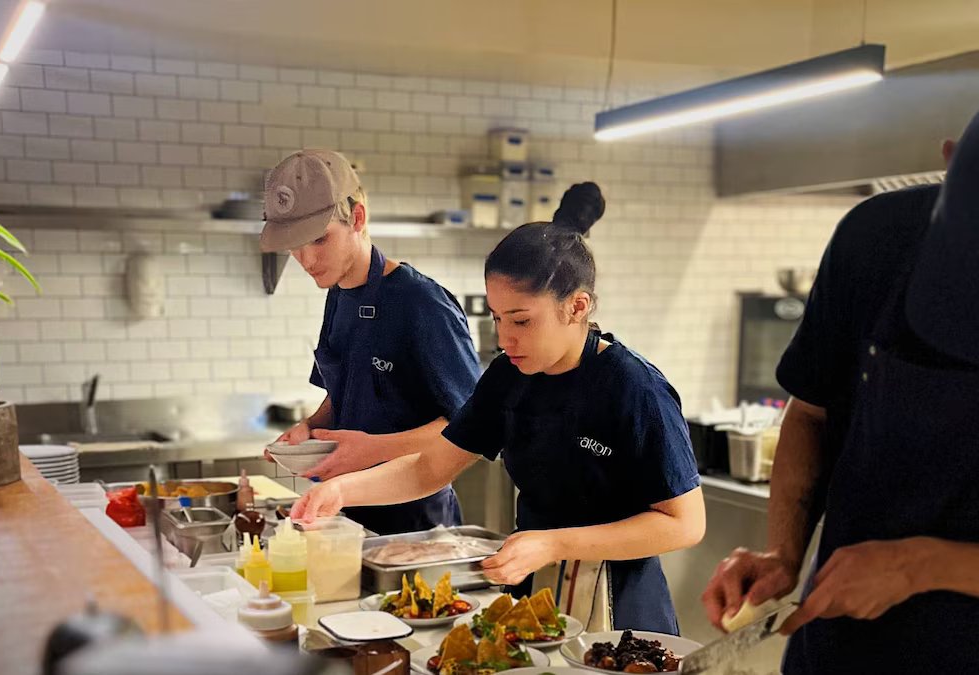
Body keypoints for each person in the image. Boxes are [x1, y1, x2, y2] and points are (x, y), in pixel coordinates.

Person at [701, 75, 979, 673]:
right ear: (950, 161)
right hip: (839, 651)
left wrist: (919, 565)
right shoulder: (875, 240)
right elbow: (811, 414)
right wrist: (784, 551)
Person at [293, 183, 706, 633]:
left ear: (577, 306)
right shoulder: (511, 375)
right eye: (497, 317)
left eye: (522, 320)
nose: (504, 338)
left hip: (619, 610)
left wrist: (554, 544)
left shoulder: (635, 389)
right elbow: (430, 468)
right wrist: (341, 491)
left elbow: (685, 524)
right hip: (533, 595)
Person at [260, 149, 480, 535]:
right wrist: (309, 428)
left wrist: (373, 449)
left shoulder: (421, 303)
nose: (306, 259)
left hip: (418, 522)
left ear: (357, 219)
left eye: (319, 240)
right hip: (349, 515)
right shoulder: (338, 294)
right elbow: (343, 393)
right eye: (294, 244)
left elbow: (472, 427)